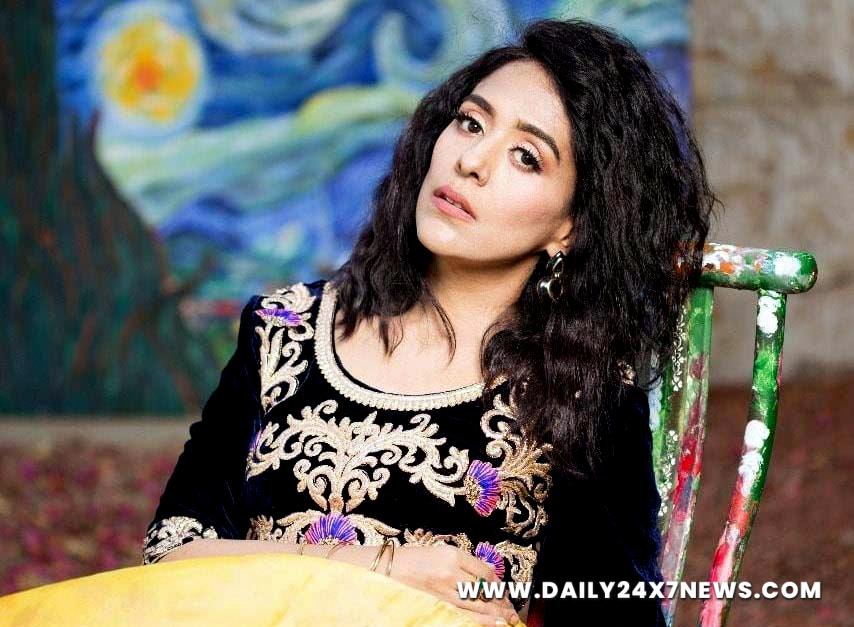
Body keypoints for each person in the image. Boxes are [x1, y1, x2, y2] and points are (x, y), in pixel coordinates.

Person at [142, 18, 716, 627]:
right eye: (471, 122)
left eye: (526, 157)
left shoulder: (577, 396)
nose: (471, 160)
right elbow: (171, 553)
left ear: (569, 228)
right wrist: (381, 568)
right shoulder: (282, 330)